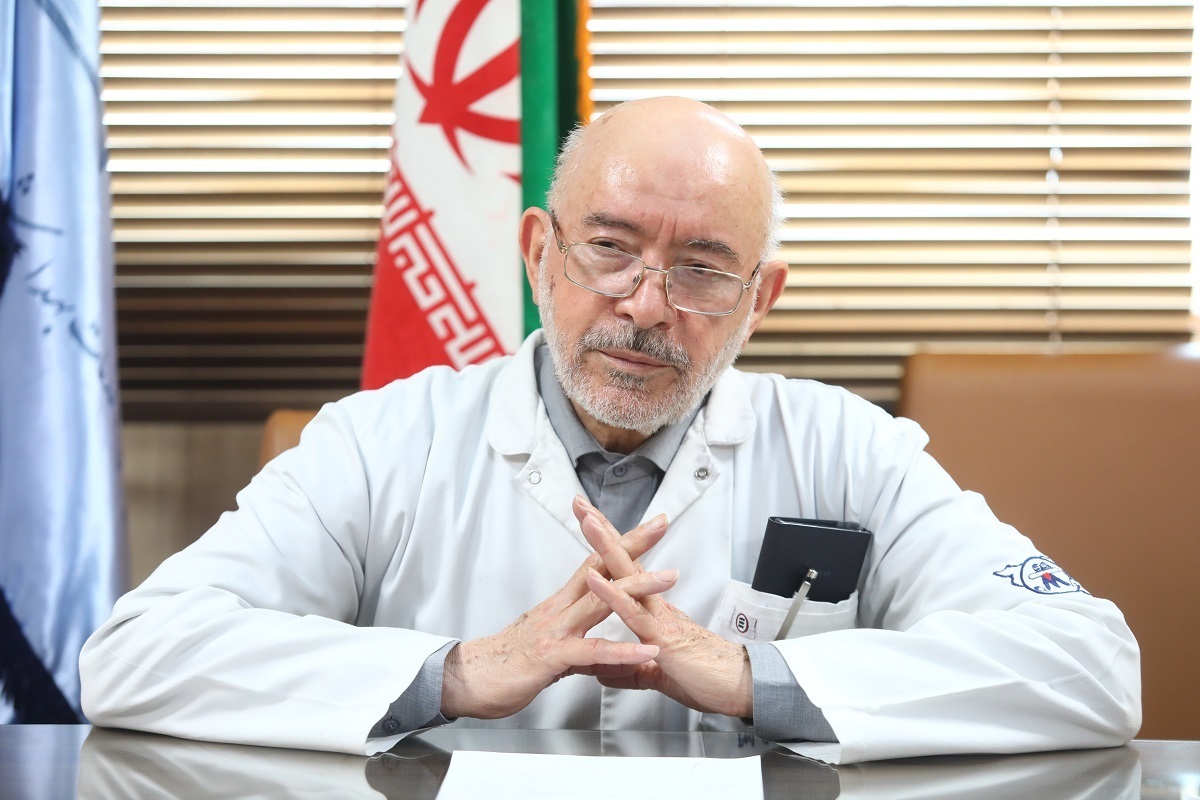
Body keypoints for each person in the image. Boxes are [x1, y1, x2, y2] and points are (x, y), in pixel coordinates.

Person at [79, 97, 1140, 763]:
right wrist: (456, 671)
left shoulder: (851, 447)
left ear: (761, 298)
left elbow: (1090, 665)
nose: (644, 304)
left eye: (702, 269)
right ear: (539, 252)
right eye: (610, 248)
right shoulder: (378, 440)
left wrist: (755, 680)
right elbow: (136, 655)